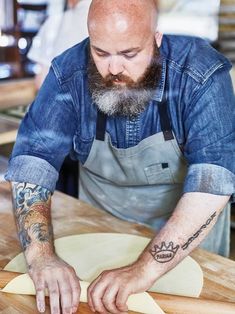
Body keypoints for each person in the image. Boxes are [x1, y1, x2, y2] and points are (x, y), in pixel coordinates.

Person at [5, 0, 235, 313]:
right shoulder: (68, 73)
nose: (114, 69)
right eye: (100, 53)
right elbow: (34, 161)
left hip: (189, 247)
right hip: (99, 231)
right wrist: (41, 257)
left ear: (156, 39)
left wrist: (145, 269)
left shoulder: (199, 74)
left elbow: (212, 182)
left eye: (130, 54)